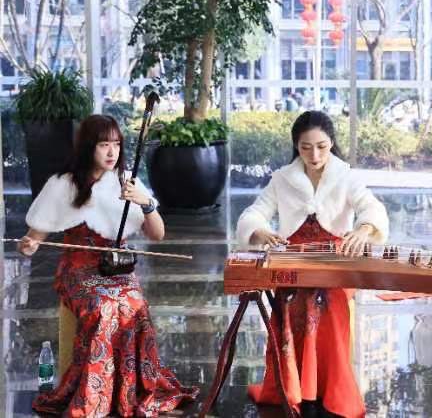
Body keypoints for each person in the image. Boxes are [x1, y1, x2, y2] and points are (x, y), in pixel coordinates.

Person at [18, 114, 198, 416]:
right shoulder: (63, 184)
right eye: (104, 145)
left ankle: (128, 390)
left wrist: (145, 202)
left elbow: (157, 234)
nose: (112, 152)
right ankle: (96, 395)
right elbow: (33, 238)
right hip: (79, 268)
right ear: (88, 147)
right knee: (103, 308)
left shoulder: (127, 181)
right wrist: (28, 245)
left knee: (134, 305)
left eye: (116, 144)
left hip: (118, 268)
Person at [236, 110, 389, 418]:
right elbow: (254, 212)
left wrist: (363, 229)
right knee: (294, 302)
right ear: (297, 145)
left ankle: (327, 390)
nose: (314, 155)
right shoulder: (282, 179)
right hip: (294, 263)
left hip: (334, 264)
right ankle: (295, 389)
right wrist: (260, 231)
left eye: (321, 146)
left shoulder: (346, 176)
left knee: (325, 303)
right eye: (306, 147)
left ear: (331, 143)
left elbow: (371, 208)